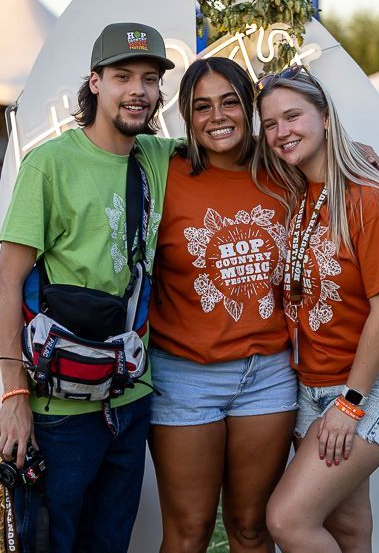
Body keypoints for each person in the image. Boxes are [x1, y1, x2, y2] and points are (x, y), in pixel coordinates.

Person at [0, 22, 177, 552]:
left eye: (148, 78)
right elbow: (7, 279)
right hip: (59, 409)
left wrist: (344, 153)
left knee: (110, 543)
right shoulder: (50, 163)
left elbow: (240, 145)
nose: (137, 90)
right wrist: (13, 394)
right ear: (95, 82)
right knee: (52, 542)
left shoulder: (159, 159)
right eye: (122, 76)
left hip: (132, 397)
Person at [254, 67, 379, 552]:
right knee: (347, 526)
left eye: (293, 116)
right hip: (312, 384)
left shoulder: (370, 203)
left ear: (326, 117)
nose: (282, 131)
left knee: (287, 520)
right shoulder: (299, 192)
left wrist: (350, 403)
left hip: (371, 386)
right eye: (270, 123)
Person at [147, 57, 296, 553]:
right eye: (201, 106)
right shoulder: (162, 173)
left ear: (249, 106)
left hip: (268, 376)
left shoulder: (283, 172)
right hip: (185, 377)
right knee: (188, 534)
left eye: (230, 102)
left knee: (252, 528)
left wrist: (357, 152)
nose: (218, 116)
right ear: (186, 116)